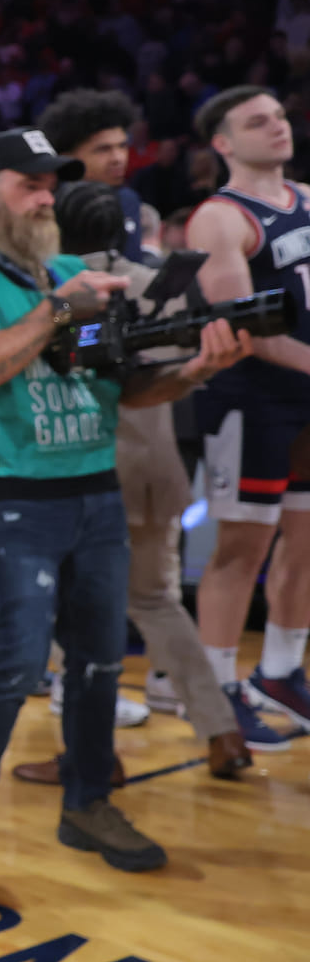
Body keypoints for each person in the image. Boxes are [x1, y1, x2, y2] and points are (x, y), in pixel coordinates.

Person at [0, 127, 250, 916]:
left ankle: (87, 800)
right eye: (29, 184)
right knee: (14, 663)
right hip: (14, 494)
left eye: (50, 184)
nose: (46, 197)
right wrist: (58, 306)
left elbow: (123, 393)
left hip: (97, 486)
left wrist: (195, 371)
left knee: (99, 662)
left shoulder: (69, 272)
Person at [9, 182, 282, 784]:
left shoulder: (58, 291)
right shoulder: (157, 279)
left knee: (78, 619)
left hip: (95, 470)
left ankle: (88, 752)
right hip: (162, 471)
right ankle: (222, 730)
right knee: (158, 603)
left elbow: (45, 364)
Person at [186, 86, 310, 736]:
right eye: (258, 122)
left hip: (306, 396)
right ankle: (217, 688)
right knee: (242, 547)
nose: (278, 127)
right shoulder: (219, 218)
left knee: (308, 540)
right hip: (251, 399)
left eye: (281, 116)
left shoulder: (309, 200)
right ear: (225, 144)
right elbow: (244, 332)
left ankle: (282, 673)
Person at [39, 89, 150, 262]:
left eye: (122, 146)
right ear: (67, 158)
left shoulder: (127, 199)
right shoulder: (45, 203)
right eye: (103, 149)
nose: (118, 158)